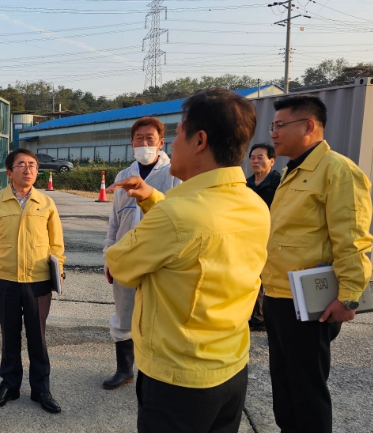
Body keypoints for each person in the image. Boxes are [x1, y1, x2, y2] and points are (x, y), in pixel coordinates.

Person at [106, 88, 270, 433]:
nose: (171, 144)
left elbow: (120, 264)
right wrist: (153, 199)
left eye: (178, 134)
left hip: (178, 379)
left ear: (200, 140)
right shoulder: (253, 204)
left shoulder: (176, 214)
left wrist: (156, 210)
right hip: (231, 368)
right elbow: (192, 228)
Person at [262, 95, 373, 433]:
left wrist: (349, 296)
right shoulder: (292, 171)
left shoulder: (338, 171)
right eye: (272, 126)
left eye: (280, 125)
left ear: (309, 126)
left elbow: (352, 238)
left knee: (306, 389)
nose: (273, 133)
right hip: (279, 295)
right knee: (283, 384)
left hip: (310, 302)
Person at [0, 148, 65, 414]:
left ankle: (41, 389)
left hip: (38, 281)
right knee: (10, 335)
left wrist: (58, 271)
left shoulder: (46, 203)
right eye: (22, 165)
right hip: (5, 280)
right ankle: (9, 385)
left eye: (33, 165)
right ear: (9, 172)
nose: (28, 170)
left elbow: (56, 243)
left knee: (38, 337)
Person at [102, 116, 180, 390]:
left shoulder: (174, 175)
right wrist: (109, 256)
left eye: (150, 138)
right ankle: (124, 369)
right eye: (139, 138)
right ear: (131, 143)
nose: (144, 143)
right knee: (124, 314)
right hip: (126, 258)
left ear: (161, 143)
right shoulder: (123, 176)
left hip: (160, 261)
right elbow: (114, 221)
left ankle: (156, 374)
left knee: (159, 317)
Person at [245, 143, 281, 329]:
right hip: (250, 238)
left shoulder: (280, 184)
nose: (255, 161)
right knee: (254, 276)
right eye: (252, 158)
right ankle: (257, 317)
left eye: (260, 157)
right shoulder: (245, 185)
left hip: (273, 237)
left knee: (274, 278)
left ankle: (275, 318)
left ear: (271, 161)